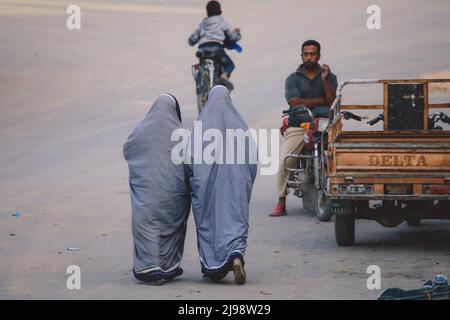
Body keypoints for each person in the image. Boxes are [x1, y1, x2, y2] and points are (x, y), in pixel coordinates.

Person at [186, 85, 257, 285]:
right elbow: (252, 160)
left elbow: (190, 160)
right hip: (236, 190)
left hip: (208, 191)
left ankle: (213, 267)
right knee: (235, 222)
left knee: (211, 225)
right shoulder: (241, 127)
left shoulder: (201, 127)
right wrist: (244, 184)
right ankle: (235, 256)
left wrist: (195, 183)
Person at [123, 94, 191, 285]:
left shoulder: (140, 131)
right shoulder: (183, 135)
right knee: (170, 226)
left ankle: (149, 266)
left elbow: (128, 149)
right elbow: (191, 164)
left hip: (146, 192)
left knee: (148, 225)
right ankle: (168, 266)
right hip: (172, 195)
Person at [269, 40, 338, 217]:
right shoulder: (293, 78)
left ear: (319, 56)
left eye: (313, 54)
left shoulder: (329, 77)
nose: (309, 57)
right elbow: (293, 102)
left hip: (323, 125)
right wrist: (320, 102)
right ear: (301, 56)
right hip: (299, 125)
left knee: (339, 156)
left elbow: (332, 102)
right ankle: (281, 201)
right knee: (286, 160)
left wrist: (324, 81)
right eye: (306, 54)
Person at [188, 0, 241, 91]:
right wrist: (237, 34)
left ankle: (201, 85)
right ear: (220, 11)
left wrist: (192, 40)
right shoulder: (222, 20)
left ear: (207, 11)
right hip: (216, 48)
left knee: (202, 65)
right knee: (230, 65)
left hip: (202, 50)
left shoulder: (203, 23)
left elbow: (192, 39)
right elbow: (232, 36)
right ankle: (224, 76)